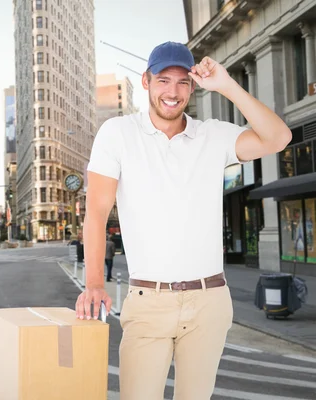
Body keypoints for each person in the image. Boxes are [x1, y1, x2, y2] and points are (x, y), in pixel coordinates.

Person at [75, 41, 291, 399]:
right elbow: (97, 212)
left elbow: (279, 138)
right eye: (163, 80)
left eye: (182, 82)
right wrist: (94, 283)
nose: (172, 92)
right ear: (146, 81)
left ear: (193, 86)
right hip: (148, 300)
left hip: (209, 301)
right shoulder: (118, 134)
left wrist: (226, 84)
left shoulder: (212, 135)